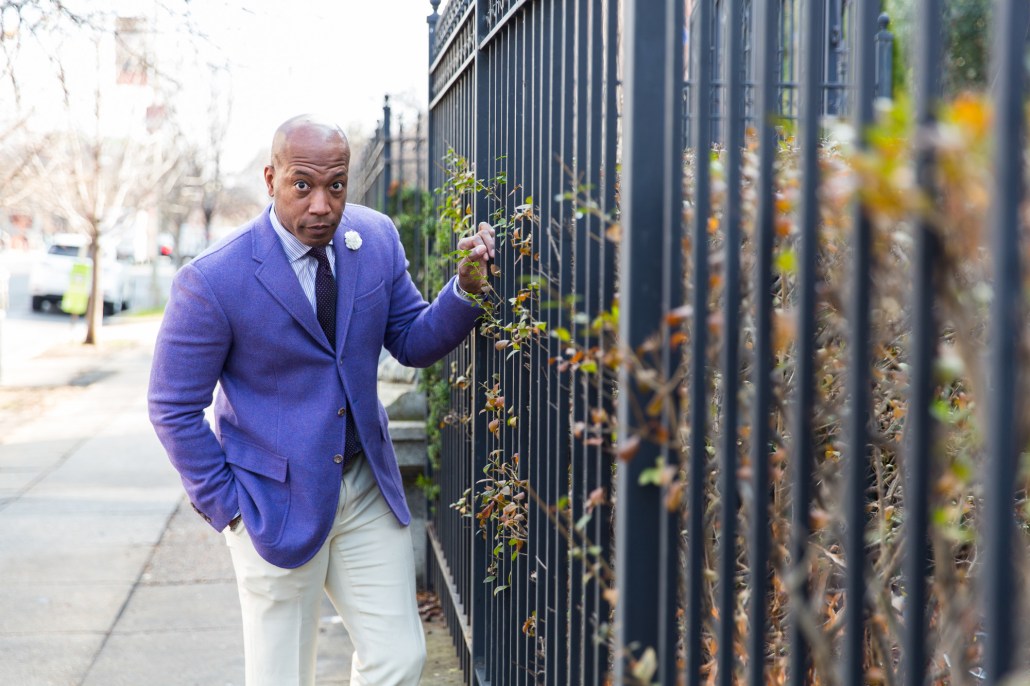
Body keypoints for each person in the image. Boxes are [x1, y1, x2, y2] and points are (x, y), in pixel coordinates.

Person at [148, 114, 494, 685]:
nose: (322, 205)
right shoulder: (213, 279)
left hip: (364, 486)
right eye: (302, 185)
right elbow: (172, 406)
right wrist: (230, 509)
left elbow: (411, 340)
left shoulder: (375, 238)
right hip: (271, 504)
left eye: (336, 186)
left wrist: (465, 290)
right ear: (271, 179)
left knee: (400, 657)